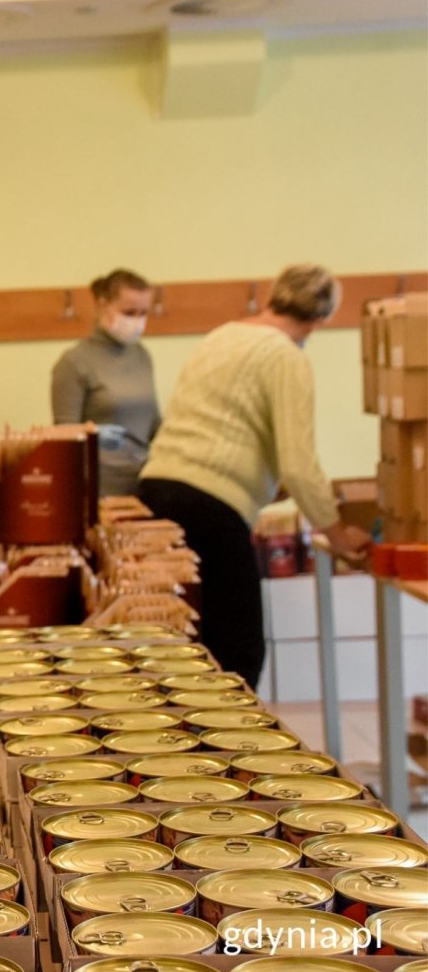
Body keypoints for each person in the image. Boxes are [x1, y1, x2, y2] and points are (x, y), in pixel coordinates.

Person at [137, 264, 372, 688]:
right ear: (320, 321)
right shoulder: (287, 356)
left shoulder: (222, 335)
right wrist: (338, 537)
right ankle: (231, 750)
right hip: (210, 507)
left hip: (155, 488)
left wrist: (263, 483)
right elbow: (299, 463)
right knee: (239, 650)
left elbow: (219, 428)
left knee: (185, 641)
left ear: (272, 297)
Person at [51, 268, 161, 497]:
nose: (137, 320)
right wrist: (94, 432)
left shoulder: (142, 355)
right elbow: (63, 434)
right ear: (103, 305)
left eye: (143, 313)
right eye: (129, 312)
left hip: (143, 479)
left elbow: (153, 422)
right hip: (97, 487)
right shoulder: (74, 362)